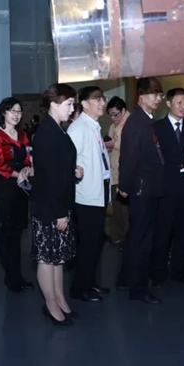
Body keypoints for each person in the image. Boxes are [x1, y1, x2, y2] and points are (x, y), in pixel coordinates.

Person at [30, 83, 83, 325]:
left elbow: (59, 167)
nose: (72, 109)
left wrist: (73, 171)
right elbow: (48, 177)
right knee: (47, 257)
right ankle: (50, 305)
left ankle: (60, 300)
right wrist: (60, 211)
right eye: (69, 104)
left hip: (58, 203)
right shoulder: (46, 133)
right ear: (53, 104)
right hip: (49, 206)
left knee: (58, 257)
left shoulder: (58, 129)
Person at [116, 77, 165, 304]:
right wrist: (124, 187)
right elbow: (128, 159)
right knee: (142, 241)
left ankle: (126, 279)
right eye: (153, 94)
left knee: (136, 236)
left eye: (160, 94)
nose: (158, 98)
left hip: (148, 187)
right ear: (141, 95)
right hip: (142, 189)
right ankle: (138, 289)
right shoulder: (137, 122)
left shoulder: (146, 120)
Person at [150, 88, 184, 287]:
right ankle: (158, 272)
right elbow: (162, 154)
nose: (183, 107)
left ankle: (179, 271)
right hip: (165, 188)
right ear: (169, 104)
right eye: (179, 102)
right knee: (163, 232)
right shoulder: (157, 127)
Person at [68, 86, 111, 302]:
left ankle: (91, 283)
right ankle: (79, 289)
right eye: (97, 99)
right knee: (87, 244)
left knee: (95, 243)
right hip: (86, 195)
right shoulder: (78, 128)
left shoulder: (93, 126)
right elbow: (68, 161)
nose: (102, 103)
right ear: (84, 104)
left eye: (103, 98)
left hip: (98, 191)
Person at [0, 97, 33, 292]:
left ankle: (18, 276)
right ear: (3, 113)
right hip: (5, 186)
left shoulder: (22, 135)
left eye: (19, 111)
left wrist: (26, 170)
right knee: (5, 233)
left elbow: (28, 158)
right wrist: (18, 174)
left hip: (21, 187)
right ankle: (11, 277)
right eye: (12, 110)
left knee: (17, 232)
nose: (16, 114)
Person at [105, 96, 129, 247]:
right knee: (117, 210)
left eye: (116, 114)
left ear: (124, 110)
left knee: (127, 211)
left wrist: (114, 144)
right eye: (111, 115)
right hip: (114, 173)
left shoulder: (131, 123)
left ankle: (128, 240)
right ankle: (121, 237)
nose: (113, 118)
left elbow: (131, 145)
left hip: (125, 174)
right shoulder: (113, 126)